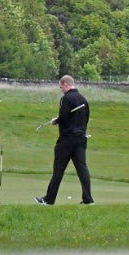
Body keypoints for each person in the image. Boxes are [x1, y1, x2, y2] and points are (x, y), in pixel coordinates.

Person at [35, 75, 94, 205]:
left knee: (58, 170)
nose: (61, 89)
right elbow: (85, 119)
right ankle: (88, 200)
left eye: (61, 87)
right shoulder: (84, 99)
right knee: (82, 169)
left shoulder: (66, 98)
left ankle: (49, 199)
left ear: (66, 84)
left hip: (67, 140)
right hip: (81, 139)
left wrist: (55, 121)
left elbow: (63, 117)